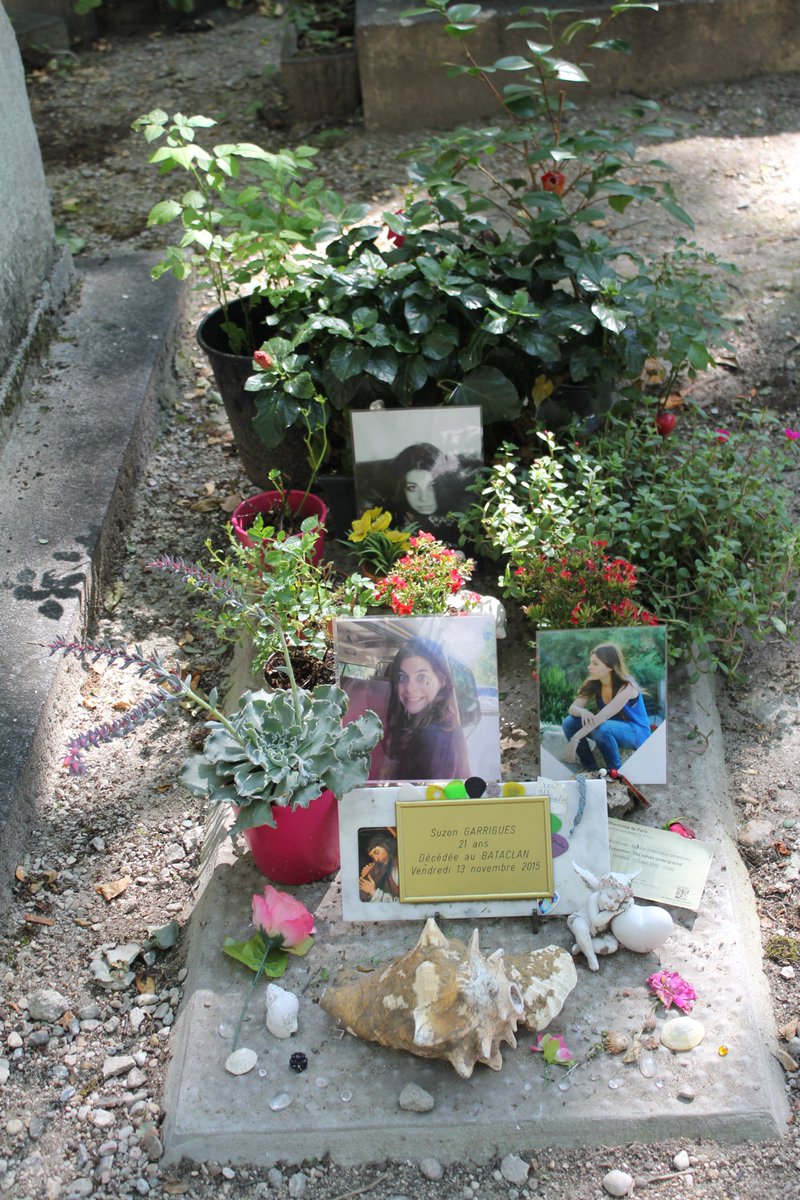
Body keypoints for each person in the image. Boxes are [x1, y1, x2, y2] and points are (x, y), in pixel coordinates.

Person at [381, 637, 470, 780]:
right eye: (403, 678)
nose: (410, 688)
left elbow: (427, 799)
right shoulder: (425, 722)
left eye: (421, 678)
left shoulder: (435, 735)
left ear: (442, 681)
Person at [561, 642, 651, 773]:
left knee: (602, 728)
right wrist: (582, 711)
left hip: (636, 732)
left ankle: (614, 772)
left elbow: (601, 718)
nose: (589, 667)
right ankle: (590, 769)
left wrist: (575, 739)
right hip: (609, 727)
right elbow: (572, 709)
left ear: (610, 666)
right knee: (569, 722)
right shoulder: (594, 682)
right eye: (590, 662)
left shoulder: (627, 686)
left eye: (595, 663)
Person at [389, 443, 464, 539]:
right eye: (413, 488)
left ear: (444, 484)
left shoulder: (464, 521)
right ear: (402, 490)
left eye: (432, 486)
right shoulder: (392, 522)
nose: (423, 498)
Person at [358, 831, 400, 902]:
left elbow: (401, 904)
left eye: (376, 852)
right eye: (373, 857)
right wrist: (374, 875)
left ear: (386, 846)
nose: (376, 859)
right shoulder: (388, 870)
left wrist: (374, 892)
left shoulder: (400, 865)